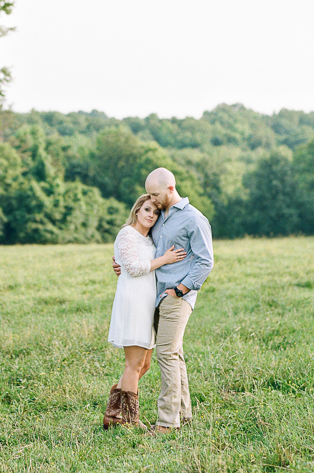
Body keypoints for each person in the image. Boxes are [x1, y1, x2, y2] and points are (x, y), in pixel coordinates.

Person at [112, 167, 213, 434]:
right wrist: (121, 262)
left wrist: (180, 289)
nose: (152, 202)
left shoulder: (194, 219)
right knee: (174, 354)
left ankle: (167, 422)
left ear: (170, 188)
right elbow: (139, 247)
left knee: (166, 354)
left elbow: (205, 262)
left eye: (156, 195)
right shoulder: (161, 216)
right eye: (149, 198)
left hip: (176, 296)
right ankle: (183, 413)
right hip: (154, 297)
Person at [104, 194, 186, 430]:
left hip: (148, 303)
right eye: (148, 210)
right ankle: (130, 419)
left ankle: (113, 408)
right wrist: (165, 259)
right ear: (138, 210)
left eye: (156, 212)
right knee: (133, 364)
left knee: (145, 364)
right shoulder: (127, 233)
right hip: (134, 303)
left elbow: (133, 263)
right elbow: (134, 267)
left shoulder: (148, 239)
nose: (152, 215)